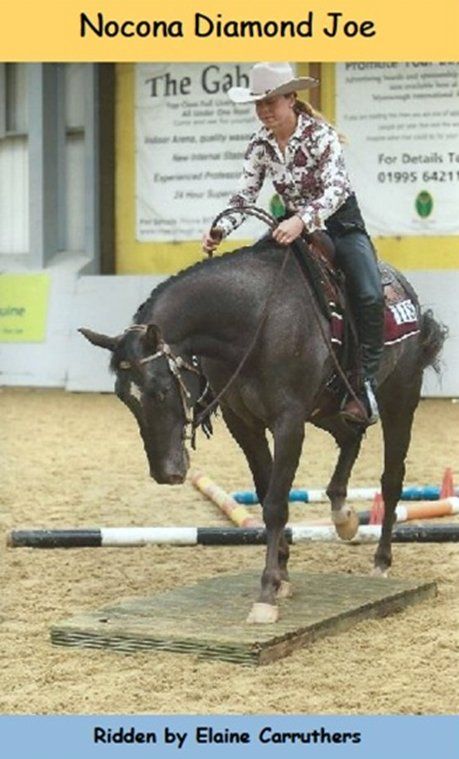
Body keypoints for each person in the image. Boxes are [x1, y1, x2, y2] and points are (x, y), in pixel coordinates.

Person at [201, 62, 384, 426]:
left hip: (340, 226)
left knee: (369, 294)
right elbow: (244, 195)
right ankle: (223, 376)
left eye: (271, 101)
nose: (264, 110)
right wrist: (221, 228)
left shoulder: (321, 136)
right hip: (291, 224)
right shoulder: (260, 144)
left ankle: (363, 386)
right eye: (259, 103)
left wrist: (302, 220)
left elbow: (336, 189)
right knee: (248, 279)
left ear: (291, 99)